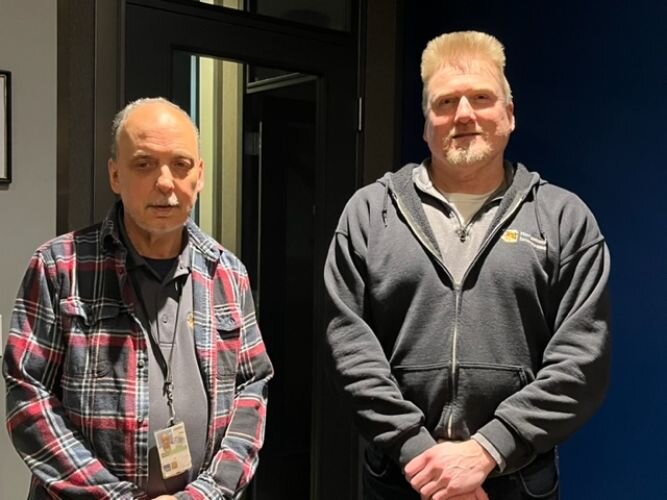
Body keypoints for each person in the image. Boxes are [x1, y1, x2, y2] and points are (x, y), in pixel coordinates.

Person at [323, 31, 610, 500]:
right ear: (425, 124)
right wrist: (421, 454)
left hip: (517, 480)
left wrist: (486, 451)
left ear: (509, 115)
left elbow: (583, 361)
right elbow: (349, 349)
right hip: (401, 477)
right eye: (445, 102)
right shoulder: (369, 213)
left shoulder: (563, 217)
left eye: (481, 97)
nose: (464, 115)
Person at [3, 98, 273, 499]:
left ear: (199, 175)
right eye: (144, 164)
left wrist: (206, 494)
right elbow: (27, 395)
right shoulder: (60, 267)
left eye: (180, 164)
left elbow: (252, 386)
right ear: (115, 174)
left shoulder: (228, 273)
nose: (165, 182)